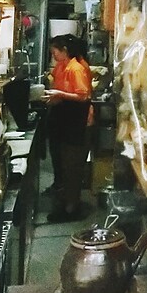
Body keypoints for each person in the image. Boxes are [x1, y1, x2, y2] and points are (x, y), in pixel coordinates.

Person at [44, 34, 93, 223]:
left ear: (65, 50)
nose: (53, 55)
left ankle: (71, 209)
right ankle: (66, 204)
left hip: (76, 123)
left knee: (72, 167)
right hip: (66, 122)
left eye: (55, 52)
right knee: (65, 165)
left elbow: (83, 96)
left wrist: (60, 94)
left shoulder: (76, 68)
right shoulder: (62, 66)